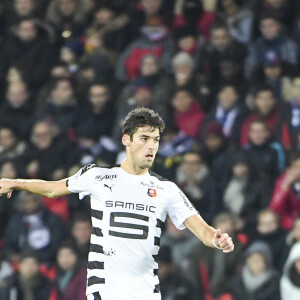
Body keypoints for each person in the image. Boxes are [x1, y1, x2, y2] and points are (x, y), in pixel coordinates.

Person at [0, 107, 234, 300]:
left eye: (156, 140)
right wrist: (14, 182)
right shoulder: (98, 176)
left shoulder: (166, 189)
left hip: (146, 290)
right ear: (127, 140)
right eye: (144, 139)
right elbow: (53, 188)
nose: (151, 146)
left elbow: (202, 230)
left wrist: (217, 239)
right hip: (105, 287)